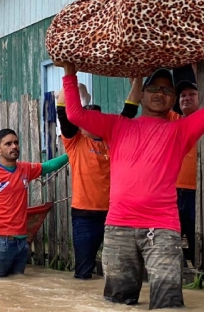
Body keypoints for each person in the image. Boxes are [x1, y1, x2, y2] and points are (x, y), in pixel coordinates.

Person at [56, 57, 204, 309]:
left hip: (162, 230)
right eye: (154, 88)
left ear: (173, 99)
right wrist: (69, 72)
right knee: (117, 304)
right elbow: (75, 114)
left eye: (167, 90)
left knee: (167, 304)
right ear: (143, 93)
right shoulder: (117, 125)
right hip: (118, 228)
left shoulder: (180, 130)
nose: (160, 93)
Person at [56, 79, 142, 280]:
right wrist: (71, 76)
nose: (92, 124)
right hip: (84, 216)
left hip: (116, 214)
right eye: (87, 120)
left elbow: (130, 109)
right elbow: (61, 106)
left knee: (121, 271)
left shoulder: (115, 137)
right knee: (83, 273)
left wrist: (138, 79)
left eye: (97, 120)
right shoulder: (74, 140)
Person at [0, 129, 69, 277]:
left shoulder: (26, 169)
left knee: (17, 287)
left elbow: (48, 166)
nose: (14, 146)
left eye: (16, 142)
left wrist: (72, 152)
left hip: (22, 242)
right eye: (8, 144)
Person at [171, 70, 200, 268]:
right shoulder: (173, 121)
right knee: (171, 237)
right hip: (173, 191)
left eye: (192, 94)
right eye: (182, 95)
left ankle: (200, 273)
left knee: (197, 235)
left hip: (198, 191)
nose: (186, 98)